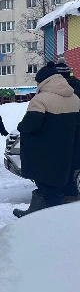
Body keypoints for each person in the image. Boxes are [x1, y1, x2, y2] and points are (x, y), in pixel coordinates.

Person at [13, 64, 80, 217]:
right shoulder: (75, 98)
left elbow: (30, 125)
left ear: (43, 81)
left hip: (43, 152)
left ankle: (45, 217)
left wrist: (20, 126)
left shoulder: (40, 100)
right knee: (58, 185)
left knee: (46, 185)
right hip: (67, 151)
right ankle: (44, 212)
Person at [55, 62, 80, 203]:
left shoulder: (63, 91)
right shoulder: (77, 86)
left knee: (67, 165)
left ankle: (69, 194)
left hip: (68, 133)